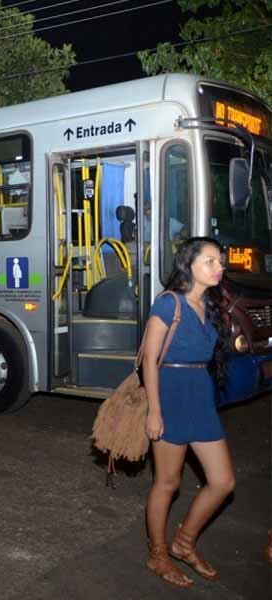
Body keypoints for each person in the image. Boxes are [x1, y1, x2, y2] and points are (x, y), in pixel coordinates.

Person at [142, 237, 234, 588]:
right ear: (189, 265)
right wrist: (154, 411)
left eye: (220, 261)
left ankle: (183, 542)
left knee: (223, 481)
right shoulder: (168, 304)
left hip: (199, 396)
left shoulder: (209, 306)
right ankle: (158, 553)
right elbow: (150, 360)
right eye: (210, 261)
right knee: (167, 482)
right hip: (170, 395)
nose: (219, 267)